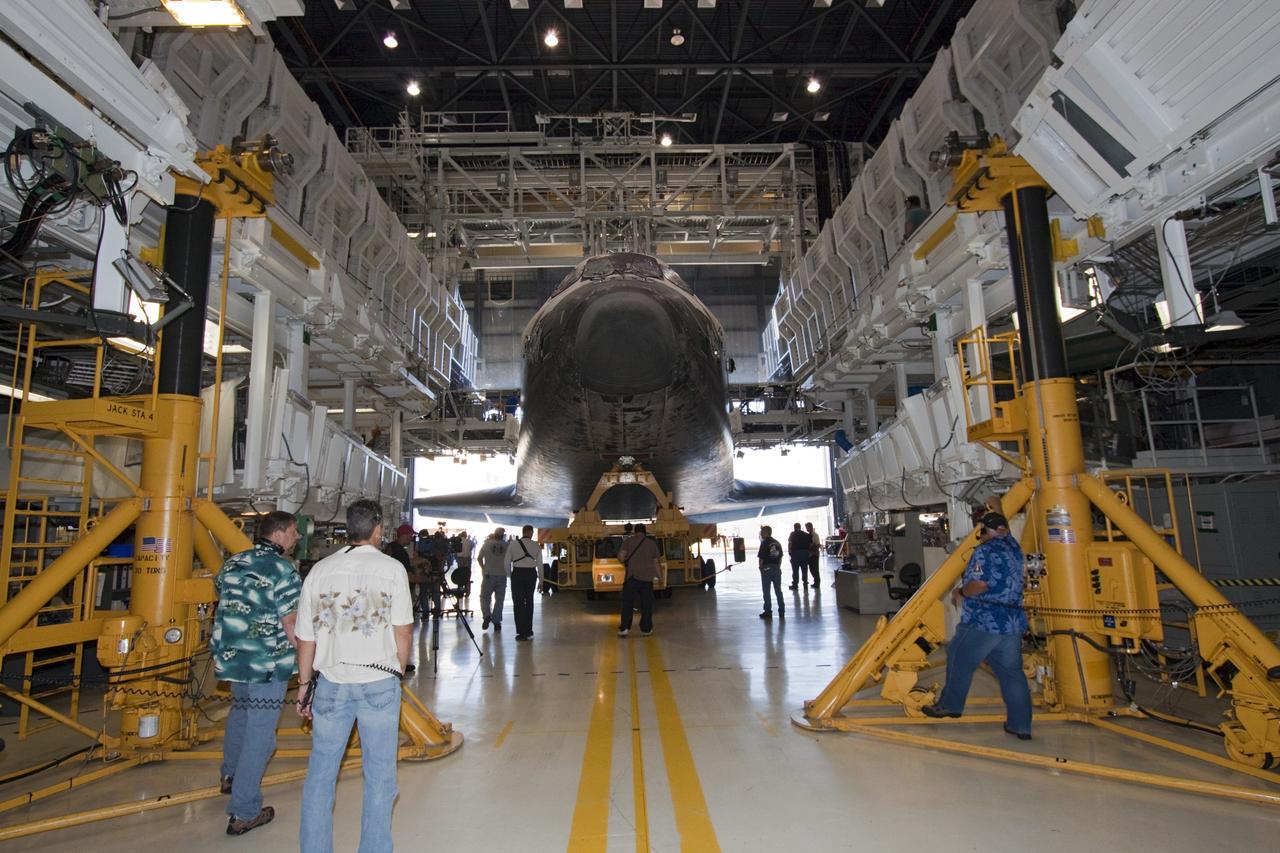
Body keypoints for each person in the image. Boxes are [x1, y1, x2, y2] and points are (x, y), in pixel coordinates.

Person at [296, 499, 414, 853]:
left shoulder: (320, 571)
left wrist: (304, 685)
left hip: (331, 682)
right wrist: (397, 671)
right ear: (378, 528)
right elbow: (403, 629)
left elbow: (306, 638)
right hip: (378, 681)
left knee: (321, 775)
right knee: (379, 776)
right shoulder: (392, 569)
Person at [211, 510, 302, 836]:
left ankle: (231, 775)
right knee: (261, 735)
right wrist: (309, 661)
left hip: (235, 660)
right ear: (279, 534)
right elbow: (291, 624)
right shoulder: (283, 570)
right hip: (267, 664)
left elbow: (221, 593)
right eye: (294, 531)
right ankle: (244, 811)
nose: (297, 537)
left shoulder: (232, 563)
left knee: (240, 714)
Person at [922, 511, 1032, 740]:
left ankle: (950, 705)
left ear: (983, 530)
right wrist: (996, 507)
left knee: (957, 655)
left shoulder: (984, 551)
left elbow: (980, 584)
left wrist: (961, 592)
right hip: (1012, 623)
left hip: (985, 621)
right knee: (1012, 673)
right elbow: (1003, 528)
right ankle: (1021, 725)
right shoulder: (1013, 546)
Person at [382, 523, 419, 674]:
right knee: (401, 626)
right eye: (410, 535)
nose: (411, 538)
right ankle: (399, 661)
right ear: (404, 535)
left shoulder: (391, 547)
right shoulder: (400, 552)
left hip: (387, 593)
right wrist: (427, 580)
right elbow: (408, 576)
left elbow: (406, 563)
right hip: (398, 594)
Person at [617, 523, 661, 637]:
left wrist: (625, 562)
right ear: (645, 532)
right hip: (647, 579)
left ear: (635, 531)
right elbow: (656, 562)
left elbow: (621, 556)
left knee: (627, 603)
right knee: (646, 605)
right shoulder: (651, 543)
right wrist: (659, 576)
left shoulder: (628, 541)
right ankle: (646, 629)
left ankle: (624, 628)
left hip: (631, 577)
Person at [507, 524, 541, 641]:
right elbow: (540, 565)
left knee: (518, 603)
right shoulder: (535, 545)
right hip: (531, 574)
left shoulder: (513, 544)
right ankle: (528, 630)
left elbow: (506, 562)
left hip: (518, 573)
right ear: (531, 532)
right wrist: (541, 581)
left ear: (523, 532)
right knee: (529, 602)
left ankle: (521, 632)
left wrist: (510, 575)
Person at [478, 528, 509, 632]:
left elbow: (479, 558)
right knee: (499, 599)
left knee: (484, 597)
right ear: (503, 535)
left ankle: (487, 615)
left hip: (489, 575)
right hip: (502, 575)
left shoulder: (486, 544)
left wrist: (483, 567)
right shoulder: (507, 545)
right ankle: (497, 622)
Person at [758, 525, 785, 619]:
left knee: (766, 591)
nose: (761, 534)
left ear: (766, 533)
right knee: (778, 590)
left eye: (762, 532)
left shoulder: (764, 543)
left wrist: (761, 568)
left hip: (767, 568)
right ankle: (782, 610)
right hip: (776, 568)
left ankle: (768, 611)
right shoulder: (777, 543)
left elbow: (761, 558)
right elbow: (780, 557)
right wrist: (778, 567)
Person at [787, 522, 812, 590]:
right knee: (804, 569)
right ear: (800, 527)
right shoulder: (806, 534)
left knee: (795, 570)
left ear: (794, 527)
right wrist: (808, 552)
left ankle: (795, 584)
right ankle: (805, 583)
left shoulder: (792, 534)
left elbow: (790, 543)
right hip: (804, 553)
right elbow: (810, 544)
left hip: (795, 554)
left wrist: (789, 552)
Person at [806, 522, 822, 587]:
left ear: (811, 527)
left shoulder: (815, 535)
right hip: (810, 554)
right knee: (811, 569)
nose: (807, 529)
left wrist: (812, 548)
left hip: (814, 555)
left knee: (815, 569)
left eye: (807, 527)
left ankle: (817, 583)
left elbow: (818, 545)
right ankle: (815, 581)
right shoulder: (808, 535)